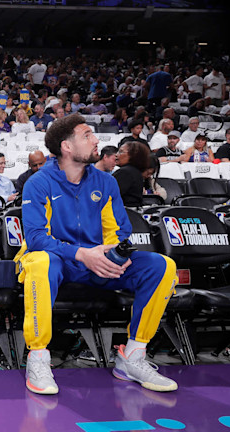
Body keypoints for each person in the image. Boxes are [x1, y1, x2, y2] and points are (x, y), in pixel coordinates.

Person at [18, 114, 178, 395]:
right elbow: (36, 238)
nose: (97, 140)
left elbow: (118, 230)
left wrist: (112, 255)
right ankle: (38, 357)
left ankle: (133, 356)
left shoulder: (106, 182)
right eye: (87, 135)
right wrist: (81, 254)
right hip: (57, 260)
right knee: (41, 261)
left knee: (162, 265)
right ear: (67, 147)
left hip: (96, 261)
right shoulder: (38, 182)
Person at [113, 141, 151, 208]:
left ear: (133, 155)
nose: (116, 155)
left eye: (121, 152)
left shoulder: (125, 172)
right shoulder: (136, 172)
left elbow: (110, 195)